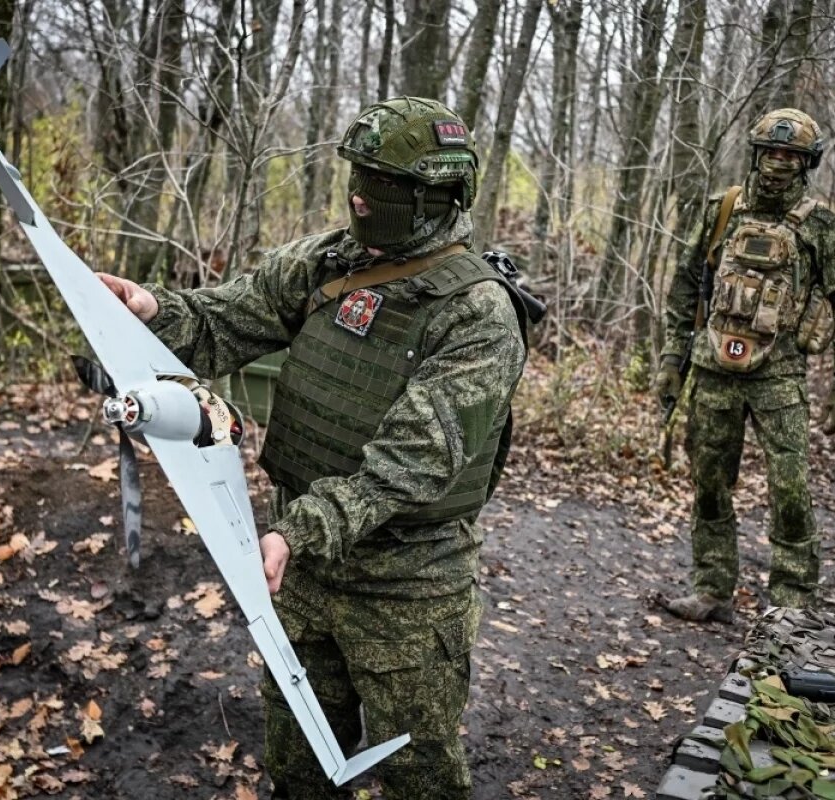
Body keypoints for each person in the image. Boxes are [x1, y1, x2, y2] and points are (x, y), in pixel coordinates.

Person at [99, 98, 527, 800]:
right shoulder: (332, 260)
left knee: (419, 775)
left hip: (407, 592)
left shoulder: (478, 315)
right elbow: (227, 317)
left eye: (381, 186)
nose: (360, 196)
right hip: (298, 571)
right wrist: (152, 310)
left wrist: (294, 533)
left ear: (436, 197)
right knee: (297, 762)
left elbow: (405, 466)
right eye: (357, 177)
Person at [652, 108, 835, 621]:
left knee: (790, 489)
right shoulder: (723, 209)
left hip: (780, 376)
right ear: (757, 152)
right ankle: (711, 589)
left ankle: (792, 603)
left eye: (790, 154)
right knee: (708, 484)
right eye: (771, 151)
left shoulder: (819, 224)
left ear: (806, 162)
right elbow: (685, 284)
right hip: (713, 369)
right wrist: (670, 360)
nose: (778, 163)